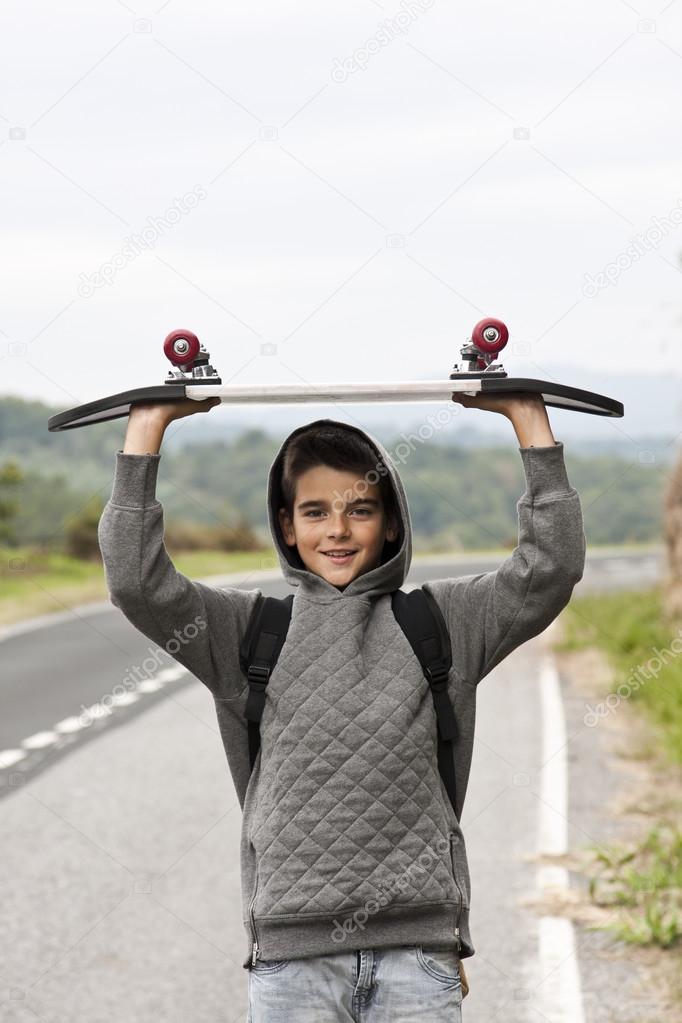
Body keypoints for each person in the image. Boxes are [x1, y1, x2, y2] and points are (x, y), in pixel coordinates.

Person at [97, 390, 586, 1022]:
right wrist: (147, 428)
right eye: (315, 511)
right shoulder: (245, 633)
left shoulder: (443, 623)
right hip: (290, 960)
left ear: (389, 522)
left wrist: (528, 420)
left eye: (360, 509)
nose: (337, 529)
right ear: (286, 525)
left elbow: (550, 568)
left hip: (419, 955)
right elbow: (137, 582)